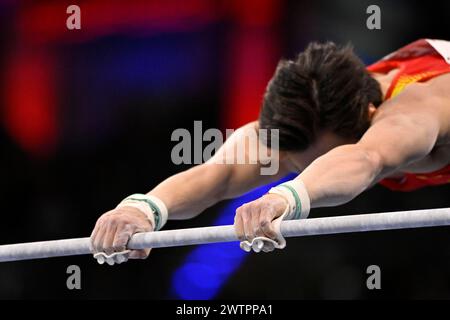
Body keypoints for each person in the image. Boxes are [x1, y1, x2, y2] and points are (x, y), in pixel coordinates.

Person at [90, 39, 450, 265]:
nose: (293, 169)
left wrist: (286, 198)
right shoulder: (304, 124)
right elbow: (219, 175)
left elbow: (367, 159)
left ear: (369, 120)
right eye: (293, 163)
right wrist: (141, 209)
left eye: (316, 163)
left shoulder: (418, 111)